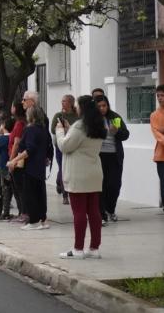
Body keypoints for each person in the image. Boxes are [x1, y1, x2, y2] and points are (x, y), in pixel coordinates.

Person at [55, 95, 106, 259]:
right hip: (94, 172)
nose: (75, 108)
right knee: (94, 212)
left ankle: (77, 249)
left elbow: (65, 145)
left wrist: (60, 131)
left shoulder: (80, 126)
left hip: (78, 174)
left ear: (82, 108)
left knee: (79, 212)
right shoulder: (98, 125)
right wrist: (70, 130)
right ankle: (94, 248)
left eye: (77, 106)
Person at [8, 107, 50, 230]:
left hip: (30, 166)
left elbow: (29, 149)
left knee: (30, 194)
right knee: (40, 194)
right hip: (40, 166)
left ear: (31, 116)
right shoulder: (43, 129)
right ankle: (42, 220)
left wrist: (14, 160)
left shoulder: (30, 129)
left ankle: (34, 221)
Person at [95, 95, 129, 224]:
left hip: (114, 156)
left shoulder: (114, 117)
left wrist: (116, 132)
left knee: (114, 185)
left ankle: (110, 210)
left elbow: (125, 134)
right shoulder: (94, 120)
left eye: (104, 105)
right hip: (99, 156)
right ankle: (101, 213)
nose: (102, 108)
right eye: (99, 106)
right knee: (101, 186)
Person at [50, 95, 79, 204]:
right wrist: (62, 128)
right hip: (60, 146)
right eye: (61, 101)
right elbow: (53, 129)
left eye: (65, 101)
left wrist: (69, 128)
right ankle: (65, 195)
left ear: (71, 103)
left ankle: (59, 182)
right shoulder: (59, 115)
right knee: (63, 168)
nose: (62, 103)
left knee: (70, 170)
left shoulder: (77, 116)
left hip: (73, 145)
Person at [7, 100, 27, 223]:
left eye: (12, 106)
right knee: (18, 187)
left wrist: (11, 160)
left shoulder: (20, 124)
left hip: (17, 160)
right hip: (17, 159)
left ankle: (24, 212)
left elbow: (17, 142)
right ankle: (22, 212)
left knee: (19, 188)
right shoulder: (18, 122)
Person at [150, 84, 164, 211]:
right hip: (161, 155)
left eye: (162, 95)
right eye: (158, 96)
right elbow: (157, 133)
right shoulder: (154, 115)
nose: (160, 98)